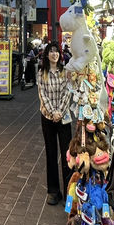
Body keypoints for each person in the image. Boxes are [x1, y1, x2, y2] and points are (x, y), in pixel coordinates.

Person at [37, 41, 72, 205]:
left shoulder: (65, 73)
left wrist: (60, 112)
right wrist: (53, 113)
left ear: (60, 54)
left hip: (63, 117)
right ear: (47, 55)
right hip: (47, 118)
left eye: (56, 51)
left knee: (67, 155)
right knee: (51, 154)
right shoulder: (41, 73)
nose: (54, 54)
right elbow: (42, 95)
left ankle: (68, 192)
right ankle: (53, 191)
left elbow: (68, 93)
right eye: (51, 51)